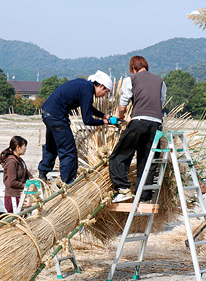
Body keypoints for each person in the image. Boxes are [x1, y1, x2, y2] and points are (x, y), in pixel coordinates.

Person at [38, 70, 114, 185]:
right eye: (106, 92)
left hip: (47, 113)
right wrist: (104, 122)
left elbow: (88, 107)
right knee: (68, 151)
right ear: (101, 86)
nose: (104, 95)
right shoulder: (87, 91)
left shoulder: (84, 86)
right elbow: (87, 120)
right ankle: (67, 182)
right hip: (57, 117)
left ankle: (43, 173)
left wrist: (103, 115)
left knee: (52, 145)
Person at [109, 56, 166, 203]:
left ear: (133, 67)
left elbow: (123, 104)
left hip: (139, 122)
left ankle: (122, 189)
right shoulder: (160, 81)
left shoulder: (131, 80)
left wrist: (121, 117)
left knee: (120, 155)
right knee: (147, 160)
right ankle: (144, 196)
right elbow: (161, 102)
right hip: (156, 125)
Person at [0, 136, 33, 213]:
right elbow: (12, 182)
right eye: (24, 147)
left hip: (21, 196)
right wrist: (26, 186)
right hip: (13, 197)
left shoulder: (20, 161)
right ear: (18, 147)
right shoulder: (11, 162)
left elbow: (29, 175)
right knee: (16, 221)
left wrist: (34, 182)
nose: (25, 149)